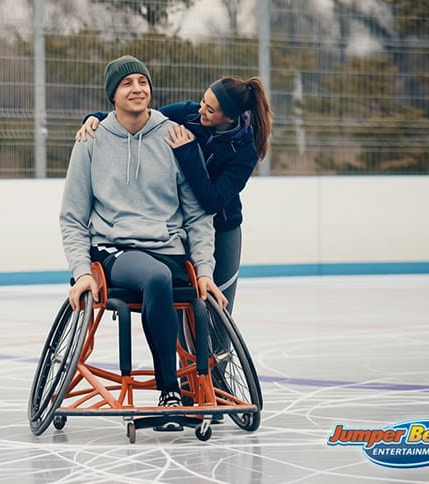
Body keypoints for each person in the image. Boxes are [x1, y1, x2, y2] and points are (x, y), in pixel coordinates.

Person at [60, 55, 227, 416]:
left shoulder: (175, 137)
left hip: (168, 249)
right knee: (156, 276)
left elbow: (198, 216)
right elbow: (72, 217)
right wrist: (82, 273)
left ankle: (193, 383)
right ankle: (170, 390)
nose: (137, 89)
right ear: (112, 95)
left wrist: (205, 272)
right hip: (115, 251)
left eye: (143, 82)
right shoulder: (91, 141)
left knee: (163, 274)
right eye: (127, 83)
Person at [76, 76, 273, 315]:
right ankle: (185, 354)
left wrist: (188, 153)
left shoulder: (244, 151)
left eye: (209, 110)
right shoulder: (188, 114)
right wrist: (96, 118)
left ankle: (220, 353)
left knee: (217, 309)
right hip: (182, 225)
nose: (200, 109)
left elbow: (212, 201)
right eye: (202, 101)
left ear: (229, 118)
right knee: (181, 309)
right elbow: (140, 118)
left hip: (222, 226)